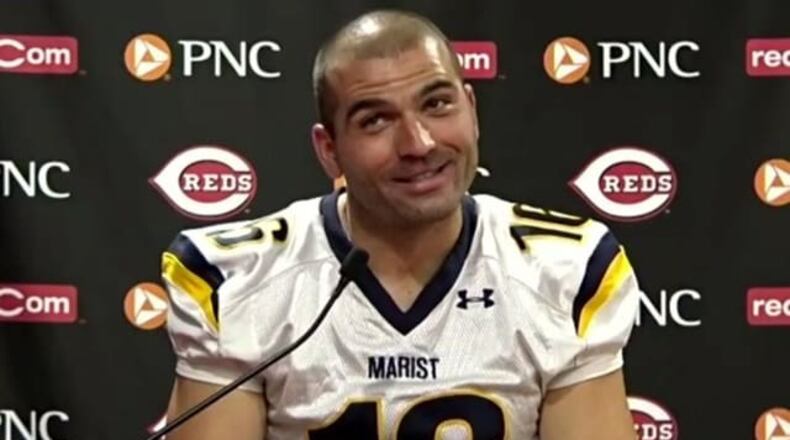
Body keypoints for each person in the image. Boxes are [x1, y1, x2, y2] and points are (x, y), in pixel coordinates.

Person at [161, 9, 640, 440]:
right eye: (376, 121)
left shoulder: (565, 269)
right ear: (329, 150)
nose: (419, 143)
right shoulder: (240, 278)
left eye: (436, 105)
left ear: (471, 110)